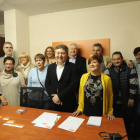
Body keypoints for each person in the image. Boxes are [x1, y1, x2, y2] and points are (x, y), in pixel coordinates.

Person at [104, 51, 138, 139]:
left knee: (127, 120)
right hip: (113, 100)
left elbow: (133, 84)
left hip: (126, 100)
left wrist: (131, 98)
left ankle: (126, 136)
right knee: (114, 121)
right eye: (114, 59)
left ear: (122, 59)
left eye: (118, 59)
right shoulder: (109, 69)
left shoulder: (130, 68)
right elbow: (104, 82)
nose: (116, 61)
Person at [73, 55, 114, 120]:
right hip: (86, 111)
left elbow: (110, 96)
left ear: (100, 64)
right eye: (90, 63)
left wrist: (110, 112)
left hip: (100, 112)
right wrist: (79, 108)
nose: (91, 64)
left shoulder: (107, 79)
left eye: (94, 62)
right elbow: (81, 94)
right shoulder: (84, 77)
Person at [45, 44, 78, 113]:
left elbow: (73, 85)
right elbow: (47, 84)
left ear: (67, 54)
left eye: (62, 53)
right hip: (53, 103)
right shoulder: (51, 67)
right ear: (55, 54)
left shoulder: (73, 67)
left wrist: (59, 97)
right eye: (58, 53)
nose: (60, 56)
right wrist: (54, 97)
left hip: (67, 103)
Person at [132, 47, 140, 140]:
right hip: (134, 94)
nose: (138, 56)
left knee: (138, 113)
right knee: (133, 114)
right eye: (136, 54)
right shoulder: (133, 63)